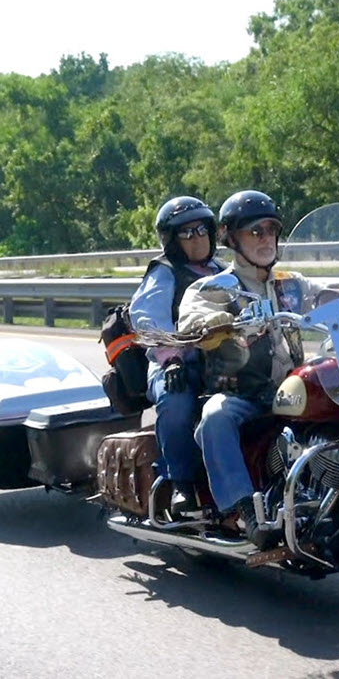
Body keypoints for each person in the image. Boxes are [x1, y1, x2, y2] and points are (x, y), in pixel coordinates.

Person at [177, 190, 323, 548]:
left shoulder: (291, 283)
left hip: (291, 389)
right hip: (242, 393)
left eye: (271, 230)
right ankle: (243, 509)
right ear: (231, 238)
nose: (266, 239)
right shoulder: (215, 286)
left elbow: (330, 295)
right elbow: (190, 318)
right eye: (255, 232)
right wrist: (221, 320)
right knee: (215, 415)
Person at [129, 195, 226, 517]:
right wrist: (171, 358)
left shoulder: (224, 272)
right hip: (173, 364)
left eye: (201, 230)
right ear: (172, 240)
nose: (197, 238)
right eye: (187, 233)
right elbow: (146, 318)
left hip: (223, 362)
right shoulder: (165, 273)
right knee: (177, 401)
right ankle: (180, 483)